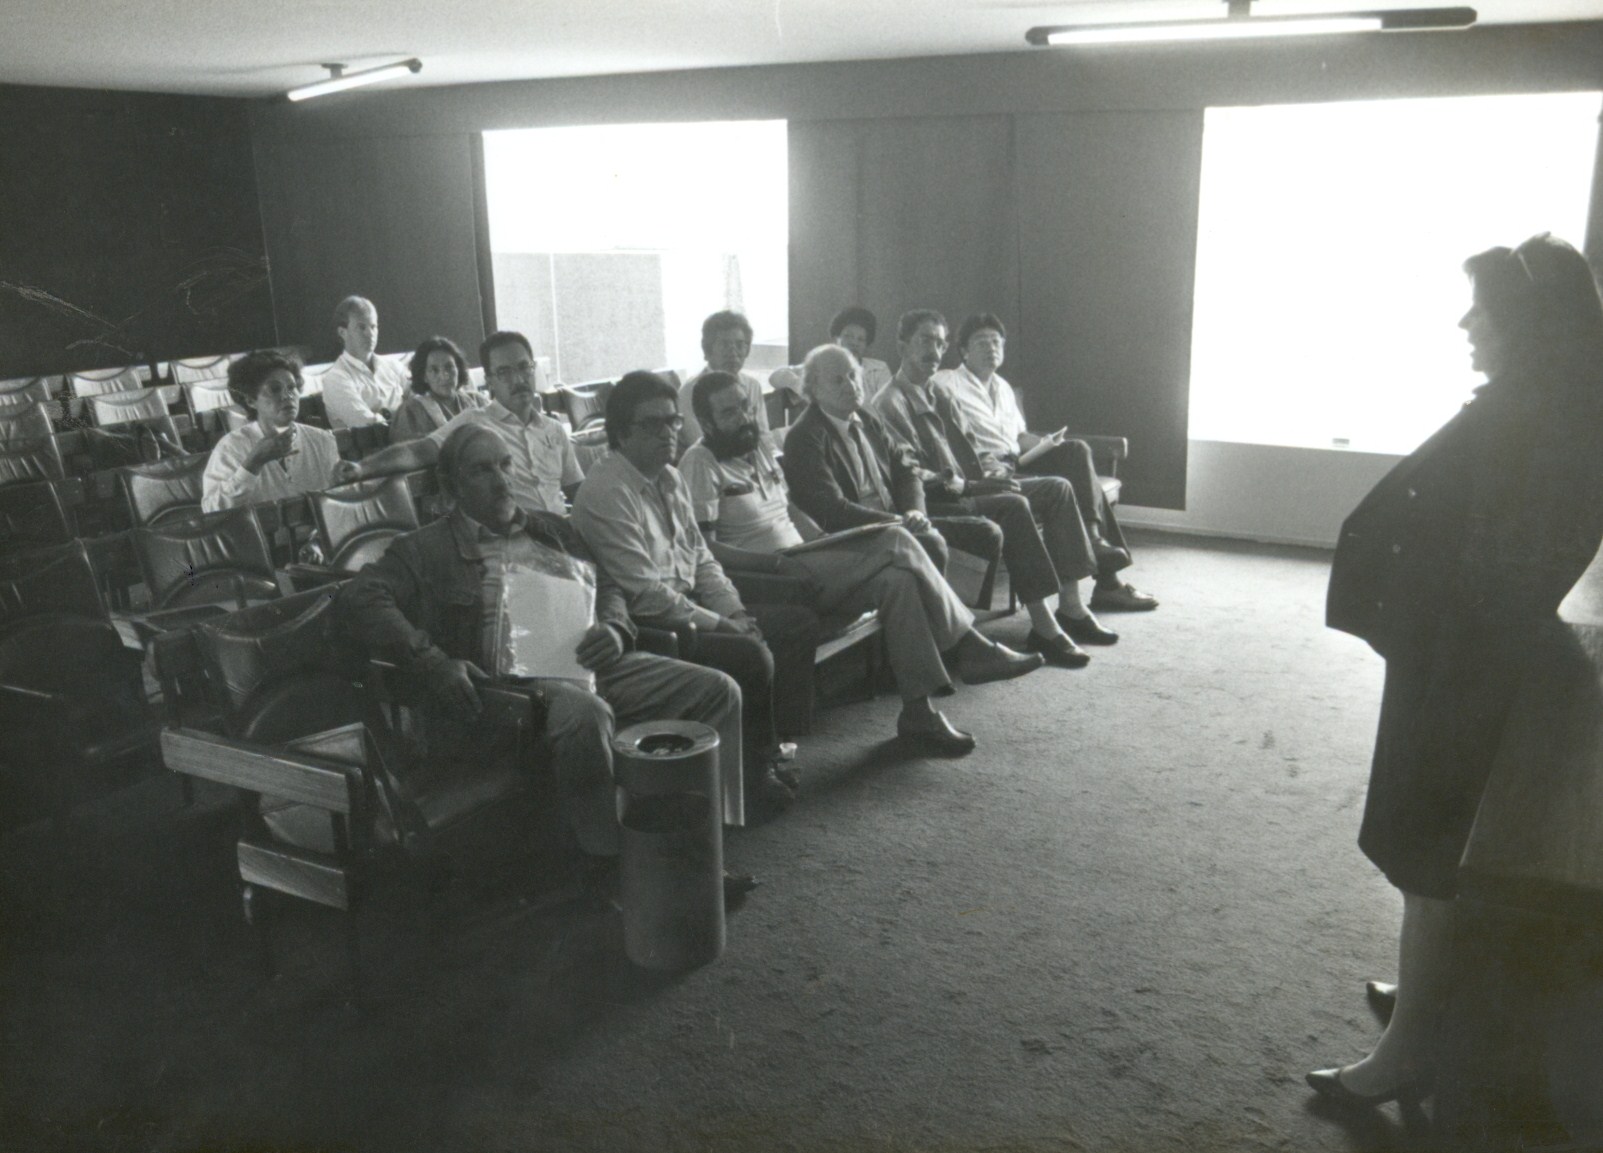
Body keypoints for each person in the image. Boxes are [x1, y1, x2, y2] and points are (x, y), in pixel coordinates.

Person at [1309, 234, 1603, 1108]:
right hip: (1459, 653)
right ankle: (1425, 997)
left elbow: (1501, 561)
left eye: (1482, 308)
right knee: (1428, 842)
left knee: (1422, 847)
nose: (1464, 321)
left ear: (1525, 320)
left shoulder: (1536, 417)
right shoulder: (1545, 402)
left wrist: (1427, 620)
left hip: (1462, 662)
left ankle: (1406, 1053)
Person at [335, 423, 757, 903]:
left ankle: (703, 851)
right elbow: (360, 597)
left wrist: (614, 628)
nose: (501, 480)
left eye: (505, 465)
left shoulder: (551, 528)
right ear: (451, 486)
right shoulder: (423, 548)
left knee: (717, 690)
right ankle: (610, 864)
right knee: (584, 712)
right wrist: (431, 660)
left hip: (584, 659)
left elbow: (608, 586)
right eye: (482, 470)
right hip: (508, 687)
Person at [681, 369, 1042, 755]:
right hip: (770, 577)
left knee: (898, 580)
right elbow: (706, 547)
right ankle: (969, 645)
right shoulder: (699, 463)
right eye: (729, 413)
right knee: (897, 538)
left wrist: (822, 540)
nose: (744, 418)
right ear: (706, 421)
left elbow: (789, 508)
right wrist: (774, 565)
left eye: (745, 406)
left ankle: (918, 716)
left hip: (806, 558)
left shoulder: (758, 448)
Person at [571, 371, 804, 813]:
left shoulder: (670, 478)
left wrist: (734, 612)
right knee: (750, 655)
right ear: (622, 432)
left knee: (789, 623)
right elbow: (645, 594)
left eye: (673, 421)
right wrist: (723, 625)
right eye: (652, 424)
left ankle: (764, 752)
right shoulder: (607, 490)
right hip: (645, 624)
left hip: (686, 603)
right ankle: (752, 780)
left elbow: (701, 558)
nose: (669, 433)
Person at [873, 309, 1118, 667]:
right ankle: (1044, 626)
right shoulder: (889, 402)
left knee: (1059, 488)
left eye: (940, 343)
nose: (934, 351)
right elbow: (906, 473)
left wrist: (990, 471)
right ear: (901, 346)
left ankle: (1071, 607)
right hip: (940, 500)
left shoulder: (939, 393)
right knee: (1013, 505)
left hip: (975, 484)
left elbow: (971, 447)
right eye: (925, 341)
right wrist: (967, 484)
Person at [933, 313, 1157, 614]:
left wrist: (1047, 444)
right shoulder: (946, 382)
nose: (991, 348)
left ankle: (1094, 540)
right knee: (1066, 486)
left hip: (1017, 460)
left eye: (997, 342)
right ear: (963, 351)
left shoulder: (1003, 387)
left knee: (1076, 451)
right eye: (982, 342)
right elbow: (940, 432)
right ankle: (1108, 583)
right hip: (986, 469)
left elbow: (1019, 436)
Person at [780, 342, 1004, 587]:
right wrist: (897, 521)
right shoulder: (805, 436)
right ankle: (941, 608)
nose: (851, 386)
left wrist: (915, 511)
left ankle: (954, 605)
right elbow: (833, 511)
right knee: (931, 542)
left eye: (853, 375)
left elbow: (906, 471)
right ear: (814, 389)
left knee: (988, 533)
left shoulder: (867, 417)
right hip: (854, 533)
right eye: (837, 381)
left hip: (895, 516)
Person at [333, 331, 583, 515]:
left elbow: (577, 492)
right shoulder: (476, 422)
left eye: (524, 367)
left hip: (561, 532)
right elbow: (418, 451)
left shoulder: (554, 429)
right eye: (504, 372)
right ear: (489, 381)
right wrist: (362, 468)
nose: (518, 379)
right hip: (512, 540)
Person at [202, 349, 341, 512]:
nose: (287, 396)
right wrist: (252, 464)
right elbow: (212, 510)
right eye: (275, 389)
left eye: (292, 387)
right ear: (251, 400)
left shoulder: (323, 440)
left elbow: (339, 503)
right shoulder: (231, 447)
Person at [678, 311, 786, 448]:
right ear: (708, 350)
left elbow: (764, 439)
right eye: (724, 345)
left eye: (740, 345)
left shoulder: (752, 385)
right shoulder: (689, 391)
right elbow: (701, 444)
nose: (733, 353)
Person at [769, 306, 895, 407]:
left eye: (861, 339)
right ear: (836, 339)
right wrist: (806, 388)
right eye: (848, 336)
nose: (854, 343)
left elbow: (885, 406)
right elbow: (776, 376)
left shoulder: (878, 369)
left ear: (866, 344)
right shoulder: (822, 365)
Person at [319, 296, 409, 430]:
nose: (370, 334)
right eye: (361, 327)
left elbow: (421, 401)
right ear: (342, 332)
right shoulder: (336, 378)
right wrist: (407, 415)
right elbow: (366, 424)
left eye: (373, 326)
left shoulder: (394, 366)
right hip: (374, 443)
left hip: (413, 437)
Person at [389, 336, 487, 442]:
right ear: (424, 376)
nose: (444, 376)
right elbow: (409, 449)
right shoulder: (411, 411)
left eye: (449, 367)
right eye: (434, 370)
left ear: (458, 369)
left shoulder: (478, 400)